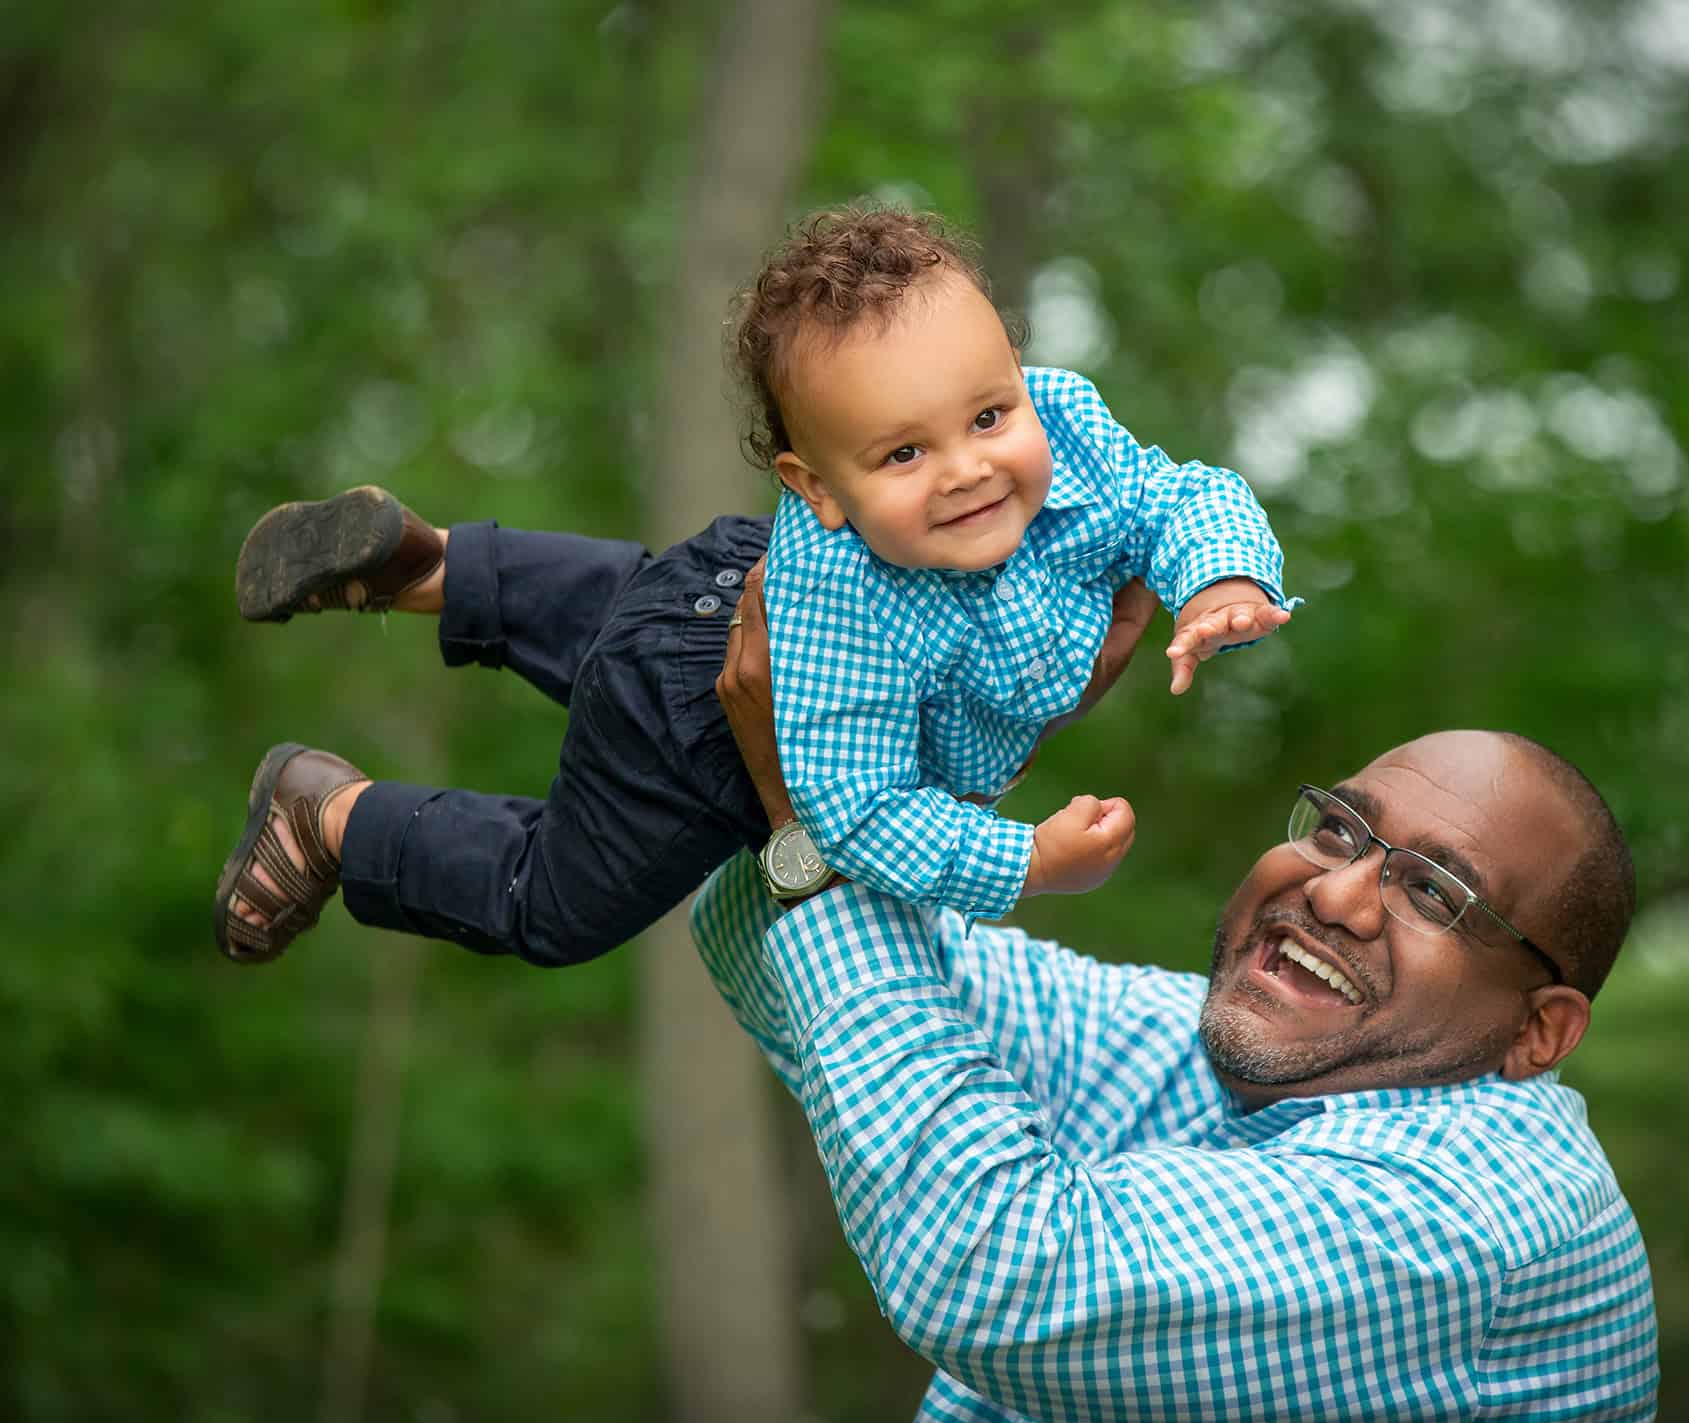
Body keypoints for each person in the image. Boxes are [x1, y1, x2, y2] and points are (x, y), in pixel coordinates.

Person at [689, 566, 1659, 1423]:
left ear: (1539, 1032)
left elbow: (998, 1275)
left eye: (1434, 894)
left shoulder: (1476, 1210)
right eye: (1337, 830)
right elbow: (759, 937)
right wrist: (935, 746)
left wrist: (811, 820)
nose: (1335, 896)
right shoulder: (1215, 1045)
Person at [214, 204, 1292, 963]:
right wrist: (1023, 864)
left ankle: (435, 567)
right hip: (708, 743)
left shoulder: (1064, 420)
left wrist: (1218, 576)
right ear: (814, 485)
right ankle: (332, 815)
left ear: (1019, 375)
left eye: (986, 416)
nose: (967, 468)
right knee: (549, 905)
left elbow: (1176, 493)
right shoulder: (845, 616)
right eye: (902, 455)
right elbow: (857, 812)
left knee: (657, 608)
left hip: (719, 584)